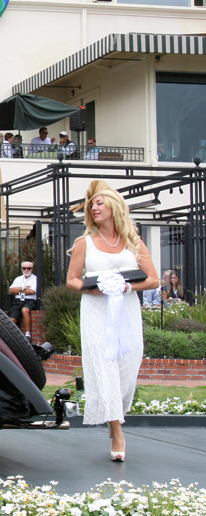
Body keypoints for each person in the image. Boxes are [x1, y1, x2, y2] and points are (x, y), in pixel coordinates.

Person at [66, 180, 159, 462]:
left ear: (114, 207)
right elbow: (71, 279)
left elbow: (153, 279)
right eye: (92, 204)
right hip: (96, 311)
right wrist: (90, 288)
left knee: (126, 372)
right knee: (104, 368)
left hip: (126, 311)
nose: (94, 208)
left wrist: (127, 287)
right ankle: (117, 431)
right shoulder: (85, 243)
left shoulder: (133, 241)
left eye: (99, 203)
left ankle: (114, 415)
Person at [8, 261, 39, 338]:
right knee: (12, 320)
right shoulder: (18, 279)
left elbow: (32, 291)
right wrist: (23, 288)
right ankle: (12, 337)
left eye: (28, 268)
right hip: (18, 301)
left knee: (25, 310)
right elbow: (11, 290)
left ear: (32, 269)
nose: (26, 270)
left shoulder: (35, 279)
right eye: (24, 268)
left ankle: (28, 334)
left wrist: (18, 291)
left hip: (30, 301)